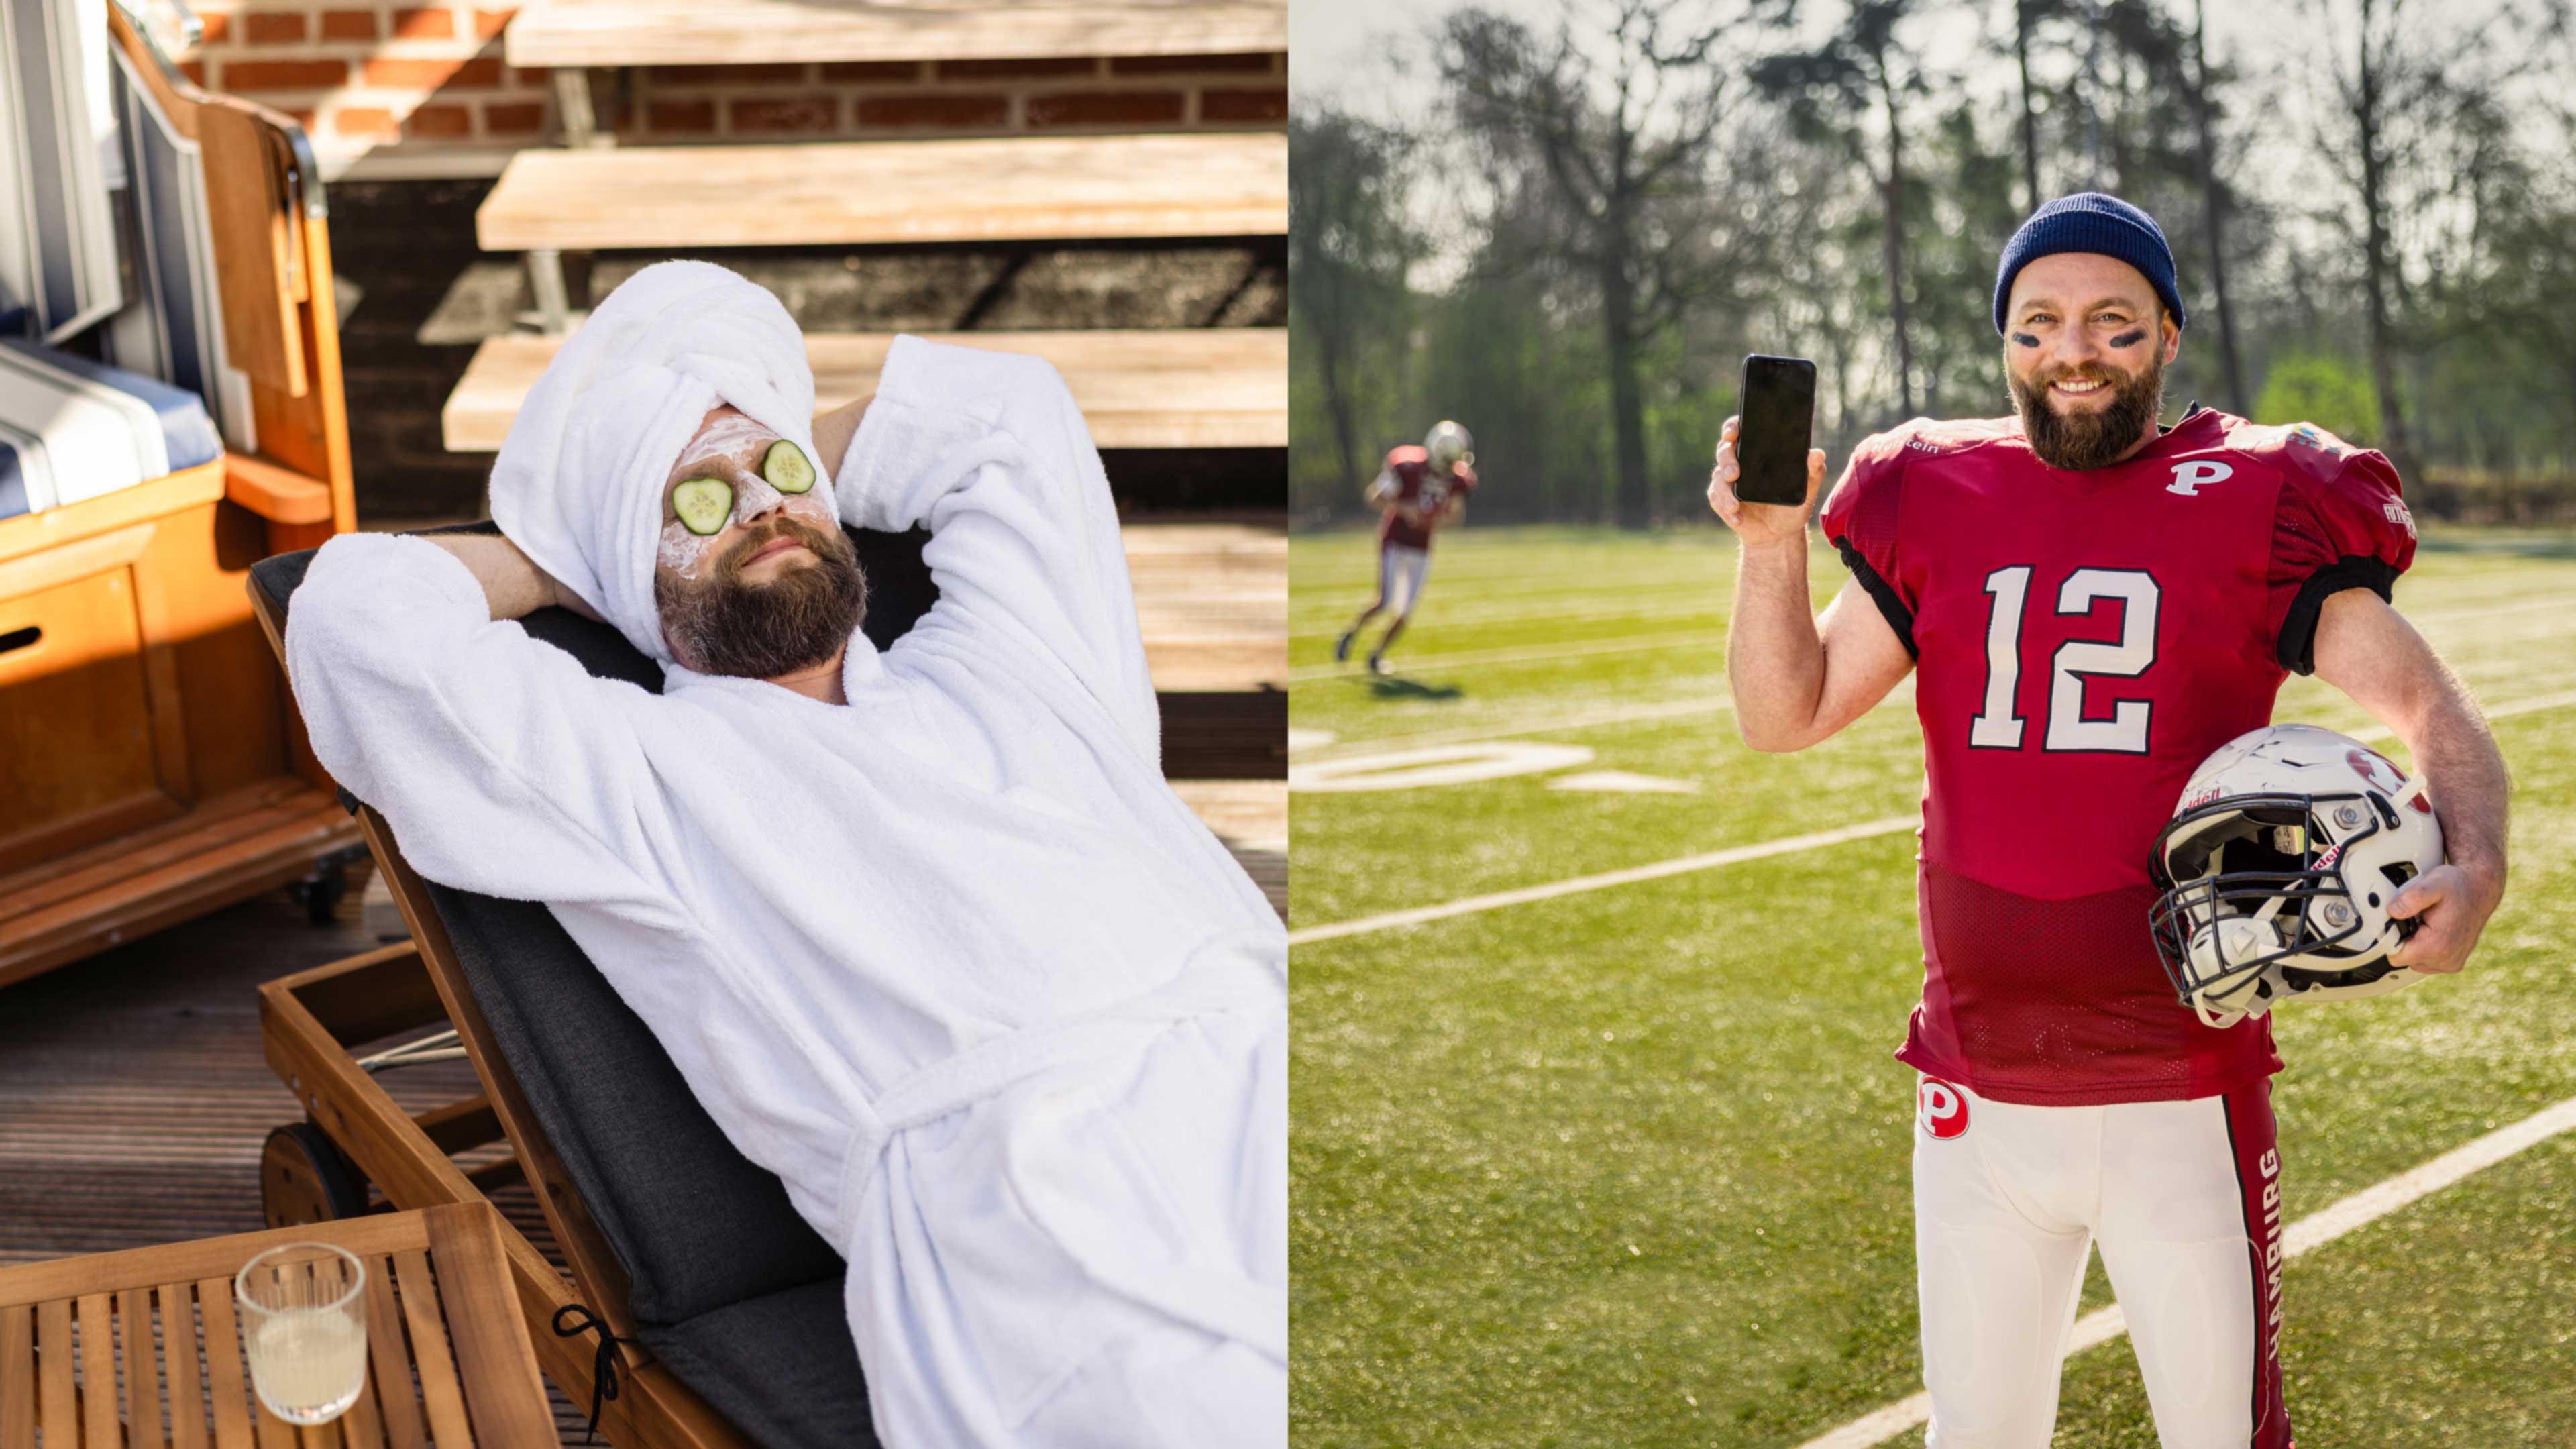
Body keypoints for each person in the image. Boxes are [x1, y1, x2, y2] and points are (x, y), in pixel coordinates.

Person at [285, 262, 1286, 1449]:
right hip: (1039, 1208)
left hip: (1273, 1069)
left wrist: (749, 454)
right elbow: (354, 624)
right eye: (698, 502)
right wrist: (569, 561)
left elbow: (1011, 416)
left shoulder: (1013, 662)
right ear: (629, 578)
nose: (759, 504)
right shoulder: (642, 782)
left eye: (783, 474)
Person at [1706, 193, 2508, 1448]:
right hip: (1972, 1093)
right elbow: (1785, 711)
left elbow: (2425, 698)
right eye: (2039, 325)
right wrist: (1768, 544)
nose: (2072, 351)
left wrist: (2478, 869)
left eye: (2111, 323)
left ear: (2169, 336)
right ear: (2006, 342)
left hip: (2177, 1092)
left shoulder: (2259, 490)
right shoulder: (1930, 486)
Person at [1336, 419, 1476, 674]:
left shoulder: (1458, 478)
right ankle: (1351, 633)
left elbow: (1457, 516)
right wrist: (1405, 510)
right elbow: (1374, 496)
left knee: (1405, 611)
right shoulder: (1408, 465)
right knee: (1385, 601)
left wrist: (1435, 520)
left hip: (1422, 547)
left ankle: (1376, 655)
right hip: (1395, 539)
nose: (1448, 468)